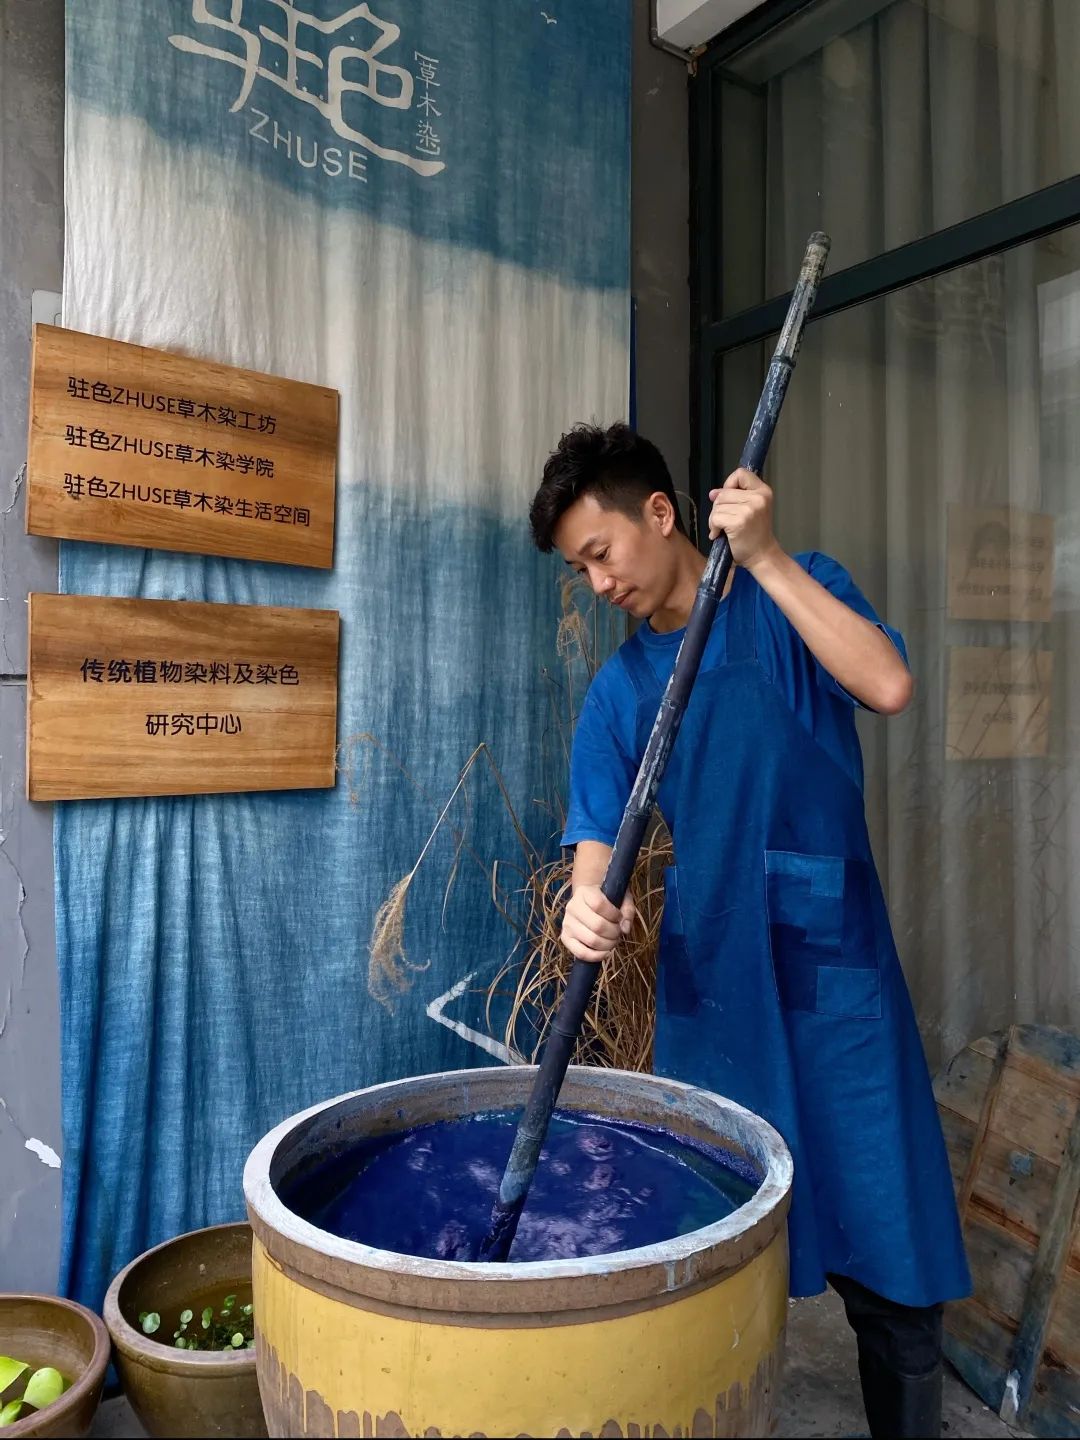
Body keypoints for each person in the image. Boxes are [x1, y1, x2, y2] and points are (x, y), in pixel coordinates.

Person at [528, 422, 970, 1440]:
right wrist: (588, 905)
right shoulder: (622, 690)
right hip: (713, 988)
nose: (597, 584)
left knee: (891, 1256)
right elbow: (597, 836)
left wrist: (764, 557)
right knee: (715, 1251)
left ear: (660, 513)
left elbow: (888, 683)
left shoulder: (793, 592)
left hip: (835, 978)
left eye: (600, 554)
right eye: (579, 569)